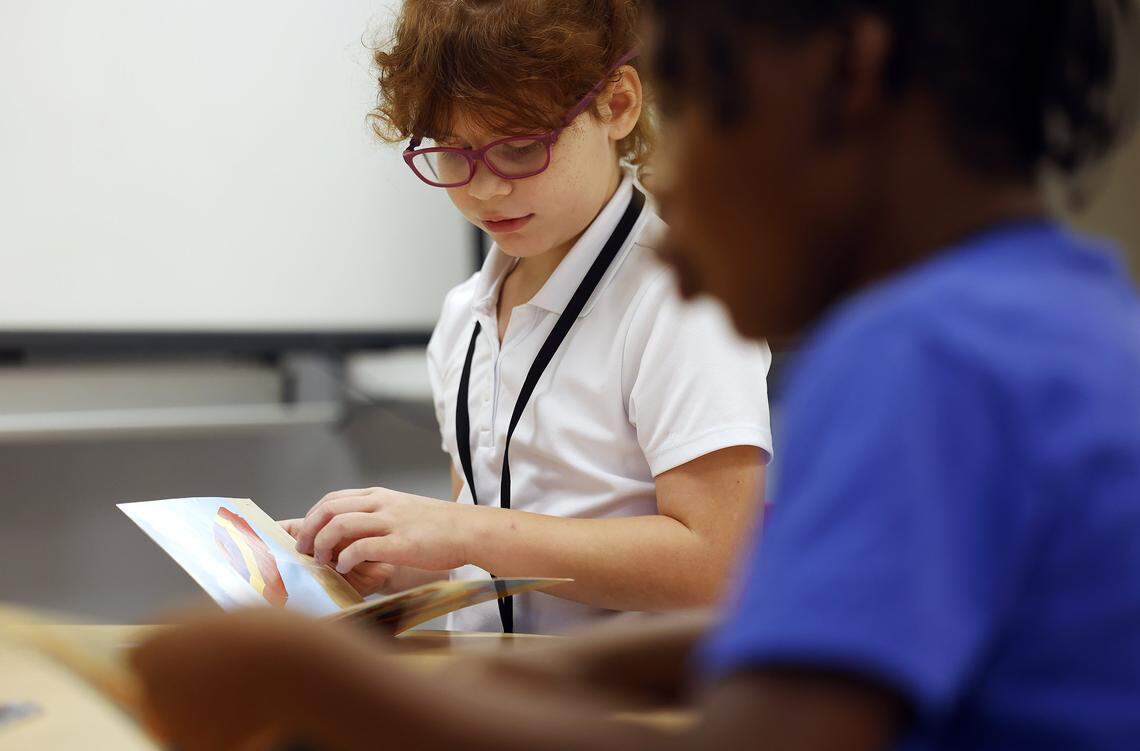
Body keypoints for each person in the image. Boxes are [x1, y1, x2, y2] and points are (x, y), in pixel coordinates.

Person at [131, 0, 1140, 748]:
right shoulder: (1049, 319)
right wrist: (538, 666)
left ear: (845, 77)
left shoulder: (924, 360)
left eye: (695, 104)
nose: (678, 194)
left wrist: (315, 679)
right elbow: (791, 636)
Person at [281, 0, 773, 636]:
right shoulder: (466, 315)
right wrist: (393, 561)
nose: (485, 189)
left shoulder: (683, 298)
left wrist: (464, 529)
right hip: (498, 696)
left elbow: (719, 566)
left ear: (617, 106)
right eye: (453, 153)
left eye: (519, 148)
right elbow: (494, 552)